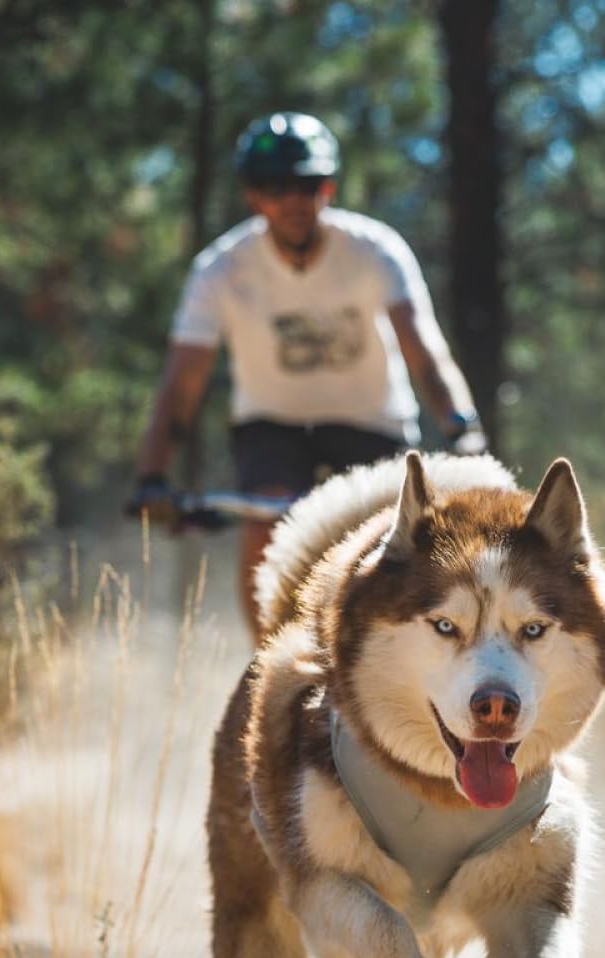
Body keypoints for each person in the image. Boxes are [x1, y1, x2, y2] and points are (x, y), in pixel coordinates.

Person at [130, 111, 487, 634]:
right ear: (253, 196)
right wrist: (152, 476)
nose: (294, 201)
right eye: (276, 187)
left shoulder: (374, 251)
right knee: (267, 529)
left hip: (371, 423)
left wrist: (464, 429)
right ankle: (271, 665)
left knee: (395, 549)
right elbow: (182, 384)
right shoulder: (222, 270)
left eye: (307, 184)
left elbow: (425, 354)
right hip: (272, 425)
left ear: (329, 187)